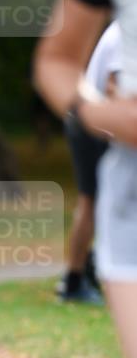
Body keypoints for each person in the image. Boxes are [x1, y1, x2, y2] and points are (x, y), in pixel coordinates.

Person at [33, 0, 137, 358]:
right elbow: (60, 61)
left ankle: (75, 276)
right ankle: (75, 276)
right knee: (89, 205)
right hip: (122, 162)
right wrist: (93, 112)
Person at [57, 21, 121, 304]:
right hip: (91, 124)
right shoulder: (125, 32)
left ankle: (93, 264)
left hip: (104, 122)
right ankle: (73, 281)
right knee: (91, 201)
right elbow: (114, 88)